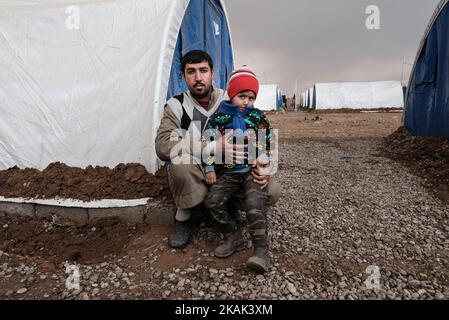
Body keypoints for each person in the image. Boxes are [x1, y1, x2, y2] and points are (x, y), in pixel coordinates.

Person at [155, 50, 280, 249]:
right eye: (191, 71)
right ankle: (184, 215)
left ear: (212, 72)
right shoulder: (177, 105)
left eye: (203, 70)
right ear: (183, 76)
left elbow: (263, 132)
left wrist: (266, 165)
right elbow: (162, 145)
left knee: (271, 190)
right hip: (199, 169)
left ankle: (231, 207)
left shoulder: (230, 99)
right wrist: (212, 146)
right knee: (180, 164)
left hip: (230, 170)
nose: (198, 78)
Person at [203, 68, 273, 272]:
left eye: (251, 98)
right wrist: (209, 168)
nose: (246, 102)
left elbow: (268, 142)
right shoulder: (218, 118)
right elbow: (208, 143)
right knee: (212, 201)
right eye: (242, 96)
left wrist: (265, 161)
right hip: (228, 173)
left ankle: (261, 252)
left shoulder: (258, 117)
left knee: (254, 204)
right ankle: (233, 234)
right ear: (231, 94)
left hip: (251, 172)